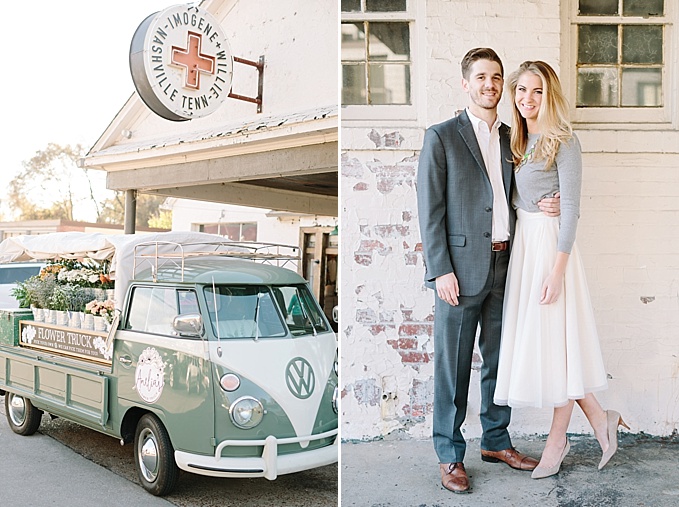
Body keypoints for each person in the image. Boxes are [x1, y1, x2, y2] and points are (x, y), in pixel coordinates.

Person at [417, 48, 560, 494]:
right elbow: (431, 210)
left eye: (497, 78)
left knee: (501, 361)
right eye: (481, 77)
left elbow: (526, 187)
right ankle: (449, 454)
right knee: (453, 368)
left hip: (507, 262)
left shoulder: (511, 138)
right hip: (459, 271)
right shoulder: (441, 136)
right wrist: (440, 269)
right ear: (466, 83)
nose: (490, 85)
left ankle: (496, 440)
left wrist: (548, 203)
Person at [493, 60, 628, 480]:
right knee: (555, 348)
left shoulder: (564, 141)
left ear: (548, 95)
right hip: (526, 249)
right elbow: (514, 199)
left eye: (536, 91)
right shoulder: (518, 139)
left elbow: (570, 209)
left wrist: (557, 269)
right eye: (521, 91)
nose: (527, 99)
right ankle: (601, 420)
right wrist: (530, 205)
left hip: (553, 252)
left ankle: (556, 441)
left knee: (559, 347)